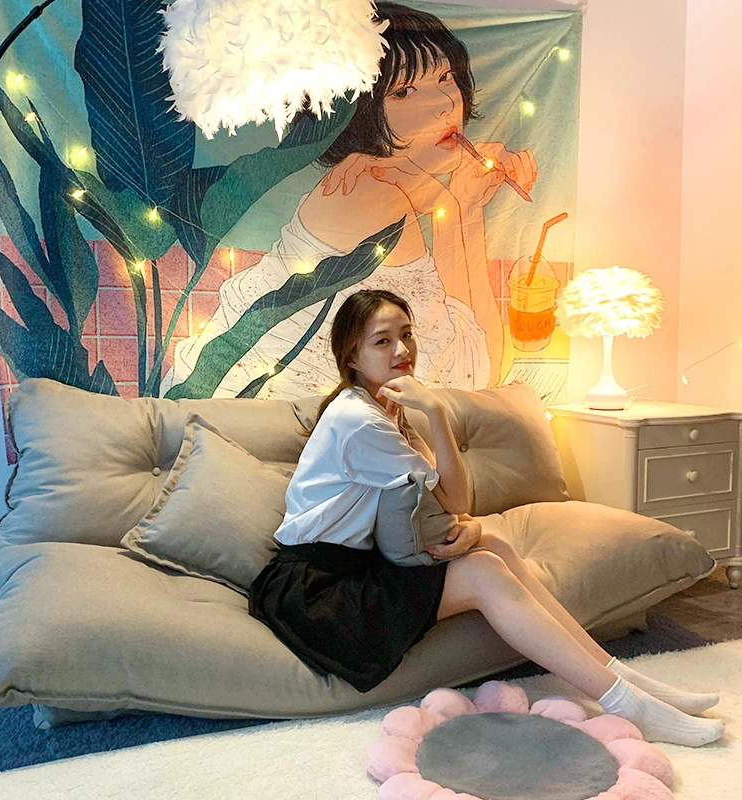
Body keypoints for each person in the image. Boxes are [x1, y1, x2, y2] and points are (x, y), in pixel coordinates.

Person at [248, 289, 725, 748]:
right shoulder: (360, 421)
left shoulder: (386, 408)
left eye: (407, 334)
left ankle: (625, 679)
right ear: (352, 357)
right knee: (484, 572)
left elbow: (455, 506)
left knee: (493, 546)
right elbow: (455, 498)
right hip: (318, 593)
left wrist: (473, 525)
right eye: (382, 341)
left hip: (352, 570)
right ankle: (626, 702)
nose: (402, 350)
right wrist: (437, 412)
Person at [162, 1, 538, 400]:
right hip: (265, 419)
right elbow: (473, 373)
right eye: (404, 92)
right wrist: (457, 206)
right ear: (359, 112)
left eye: (446, 77)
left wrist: (465, 205)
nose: (446, 105)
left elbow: (471, 362)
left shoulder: (382, 182)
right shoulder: (372, 192)